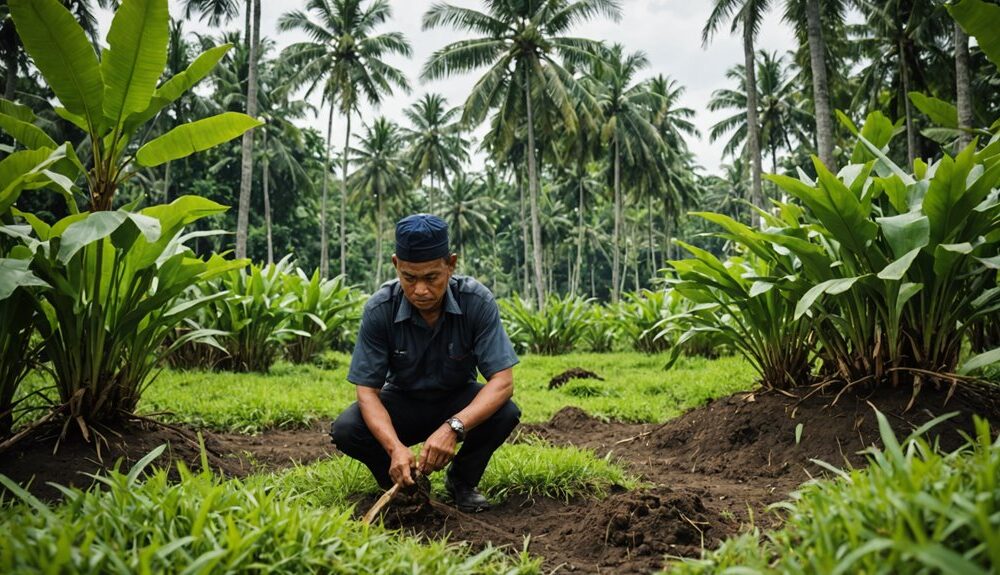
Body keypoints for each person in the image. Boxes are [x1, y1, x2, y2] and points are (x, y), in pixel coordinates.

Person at [331, 213, 521, 512]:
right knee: (347, 428)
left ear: (451, 264)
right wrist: (395, 448)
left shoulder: (476, 302)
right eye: (409, 277)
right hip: (402, 402)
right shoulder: (380, 309)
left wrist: (454, 427)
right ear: (396, 265)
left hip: (456, 401)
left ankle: (462, 481)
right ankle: (402, 481)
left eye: (431, 277)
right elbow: (367, 391)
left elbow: (503, 382)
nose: (420, 290)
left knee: (505, 411)